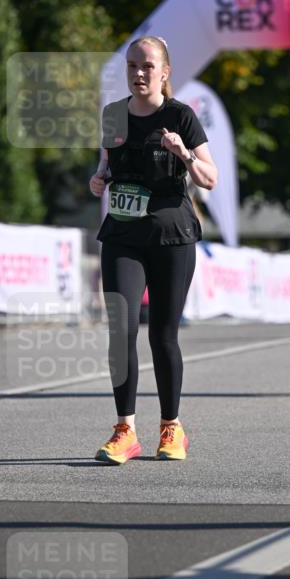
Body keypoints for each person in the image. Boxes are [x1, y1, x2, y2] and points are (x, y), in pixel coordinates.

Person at [89, 36, 217, 463]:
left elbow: (209, 178)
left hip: (171, 236)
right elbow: (106, 166)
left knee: (163, 336)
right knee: (121, 331)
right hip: (123, 235)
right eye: (132, 66)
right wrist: (99, 178)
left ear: (164, 72)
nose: (138, 73)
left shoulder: (181, 116)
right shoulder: (113, 116)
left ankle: (171, 427)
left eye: (147, 66)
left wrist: (183, 154)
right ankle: (125, 429)